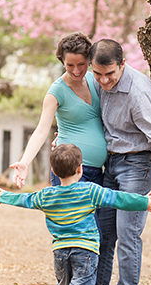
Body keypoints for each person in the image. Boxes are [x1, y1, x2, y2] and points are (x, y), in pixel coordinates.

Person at [0, 145, 151, 285]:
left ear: (53, 171)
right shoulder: (90, 191)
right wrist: (143, 201)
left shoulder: (47, 195)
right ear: (80, 169)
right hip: (86, 251)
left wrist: (5, 197)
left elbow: (26, 199)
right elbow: (117, 198)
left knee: (63, 284)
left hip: (60, 251)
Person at [88, 38, 151, 285]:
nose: (104, 80)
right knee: (102, 236)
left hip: (137, 165)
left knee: (128, 236)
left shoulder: (138, 91)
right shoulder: (96, 82)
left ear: (123, 64)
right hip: (109, 165)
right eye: (98, 74)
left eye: (110, 74)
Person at [10, 32, 108, 188]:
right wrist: (25, 162)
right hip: (69, 171)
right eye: (70, 65)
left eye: (81, 64)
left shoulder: (95, 80)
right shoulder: (56, 92)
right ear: (62, 61)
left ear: (89, 60)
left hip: (98, 172)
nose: (76, 70)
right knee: (70, 213)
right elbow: (41, 130)